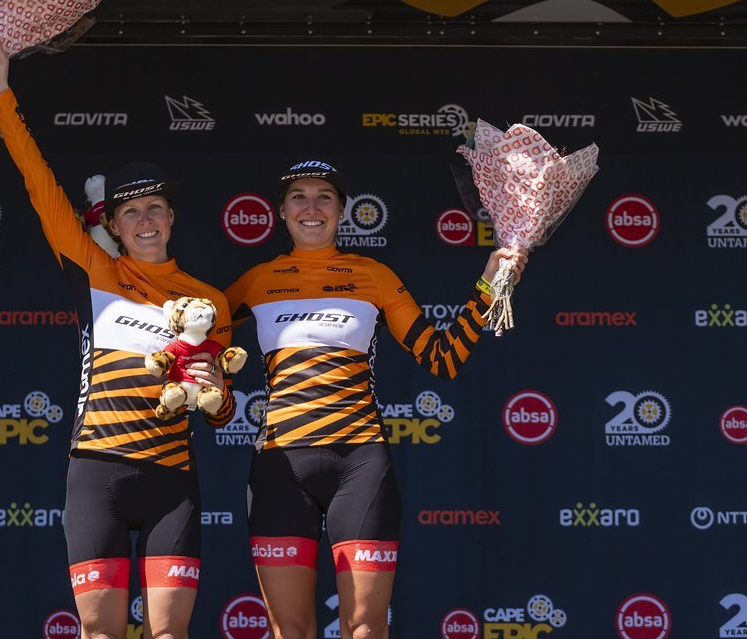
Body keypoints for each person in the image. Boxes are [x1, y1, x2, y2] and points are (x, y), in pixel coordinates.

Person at [0, 42, 235, 639]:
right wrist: (0, 94)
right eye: (131, 212)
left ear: (172, 219)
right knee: (100, 632)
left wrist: (217, 391)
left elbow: (221, 413)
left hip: (173, 480)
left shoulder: (207, 301)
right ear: (112, 226)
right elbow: (36, 178)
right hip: (96, 475)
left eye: (156, 208)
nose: (145, 220)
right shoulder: (95, 271)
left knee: (169, 633)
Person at [224, 160, 527, 639]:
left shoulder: (375, 277)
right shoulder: (254, 282)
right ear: (281, 212)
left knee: (365, 628)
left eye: (324, 197)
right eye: (298, 197)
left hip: (359, 466)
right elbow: (195, 340)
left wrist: (491, 281)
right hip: (279, 466)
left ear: (342, 211)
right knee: (290, 630)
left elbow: (442, 358)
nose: (311, 207)